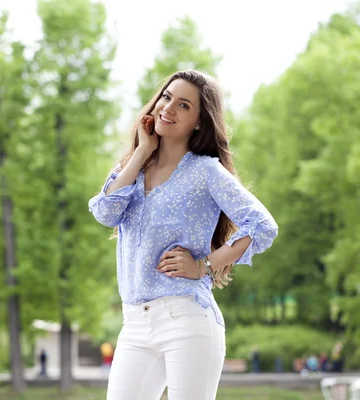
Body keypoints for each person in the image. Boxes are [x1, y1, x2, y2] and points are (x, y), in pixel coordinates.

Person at [88, 70, 278, 400]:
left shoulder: (205, 172)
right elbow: (106, 212)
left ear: (200, 122)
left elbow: (262, 225)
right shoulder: (133, 168)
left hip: (187, 320)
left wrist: (204, 265)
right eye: (166, 97)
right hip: (134, 324)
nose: (168, 108)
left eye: (184, 105)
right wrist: (142, 151)